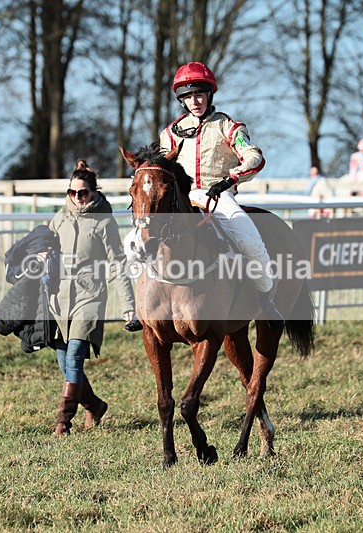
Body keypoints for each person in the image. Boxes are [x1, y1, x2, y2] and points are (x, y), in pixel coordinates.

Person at [159, 61, 283, 329]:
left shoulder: (228, 127)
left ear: (209, 95)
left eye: (199, 95)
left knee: (251, 243)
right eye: (189, 96)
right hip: (183, 199)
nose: (195, 101)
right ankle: (139, 307)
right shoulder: (169, 134)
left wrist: (230, 178)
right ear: (182, 100)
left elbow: (254, 157)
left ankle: (267, 300)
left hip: (219, 198)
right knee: (135, 241)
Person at [47, 160, 137, 435]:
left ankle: (63, 420)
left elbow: (118, 262)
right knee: (64, 362)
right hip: (59, 298)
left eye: (83, 193)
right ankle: (95, 406)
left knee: (74, 355)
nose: (77, 198)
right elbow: (46, 252)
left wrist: (128, 305)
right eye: (72, 192)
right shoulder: (58, 218)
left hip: (90, 295)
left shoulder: (103, 222)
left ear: (94, 192)